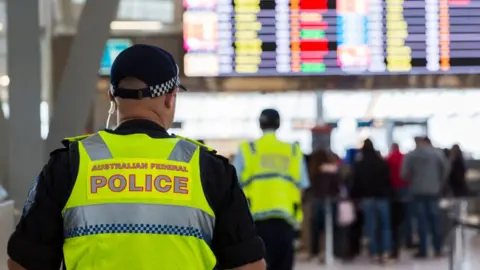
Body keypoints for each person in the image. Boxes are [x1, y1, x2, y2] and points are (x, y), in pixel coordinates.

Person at [7, 44, 265, 270]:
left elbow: (23, 262)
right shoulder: (208, 168)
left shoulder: (69, 165)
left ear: (111, 97)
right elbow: (249, 265)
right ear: (170, 98)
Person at [233, 108, 309, 270]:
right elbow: (302, 186)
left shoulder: (248, 150)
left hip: (255, 221)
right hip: (285, 219)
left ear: (260, 124)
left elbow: (233, 185)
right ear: (279, 124)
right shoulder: (293, 151)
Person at [401, 136, 448, 258]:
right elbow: (446, 170)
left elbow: (403, 174)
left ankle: (423, 250)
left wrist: (413, 180)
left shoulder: (412, 155)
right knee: (435, 221)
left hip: (417, 191)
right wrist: (439, 183)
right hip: (433, 191)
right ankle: (437, 249)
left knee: (421, 222)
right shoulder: (437, 154)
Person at [350, 139, 393, 263]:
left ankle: (374, 252)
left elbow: (356, 182)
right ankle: (386, 251)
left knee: (371, 226)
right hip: (382, 197)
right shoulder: (382, 162)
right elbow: (388, 181)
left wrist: (354, 197)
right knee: (385, 225)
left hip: (367, 198)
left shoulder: (360, 164)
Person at [307, 149, 340, 263]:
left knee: (317, 228)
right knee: (331, 228)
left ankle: (316, 252)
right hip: (331, 201)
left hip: (317, 200)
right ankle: (330, 252)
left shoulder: (313, 170)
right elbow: (337, 187)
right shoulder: (332, 169)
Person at [386, 143, 413, 255]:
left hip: (393, 190)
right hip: (406, 187)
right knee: (407, 216)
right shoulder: (405, 158)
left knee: (395, 218)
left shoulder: (388, 159)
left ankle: (396, 241)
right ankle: (408, 240)